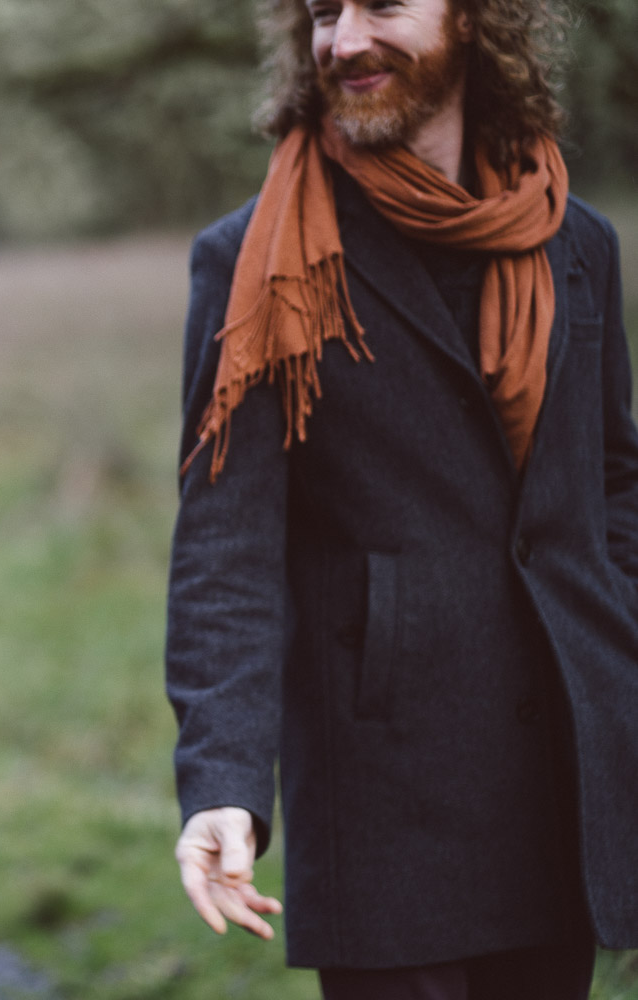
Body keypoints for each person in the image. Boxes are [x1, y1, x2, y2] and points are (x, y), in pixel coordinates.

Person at [165, 0, 638, 994]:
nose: (344, 40)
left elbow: (611, 487)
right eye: (322, 12)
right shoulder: (255, 259)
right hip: (386, 805)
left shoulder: (578, 243)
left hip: (565, 776)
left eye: (382, 4)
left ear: (474, 19)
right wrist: (223, 783)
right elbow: (226, 548)